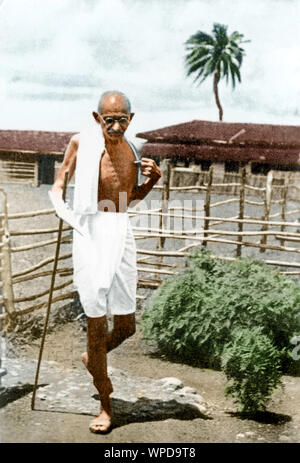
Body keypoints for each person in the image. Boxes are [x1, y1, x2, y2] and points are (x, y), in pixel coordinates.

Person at [49, 90, 161, 433]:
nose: (115, 125)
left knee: (126, 326)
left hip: (119, 226)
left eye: (121, 118)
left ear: (131, 118)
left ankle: (92, 359)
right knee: (96, 322)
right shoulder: (80, 143)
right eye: (108, 118)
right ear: (97, 118)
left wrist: (152, 180)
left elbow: (129, 199)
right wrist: (65, 212)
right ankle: (105, 402)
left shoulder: (133, 150)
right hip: (89, 229)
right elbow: (59, 182)